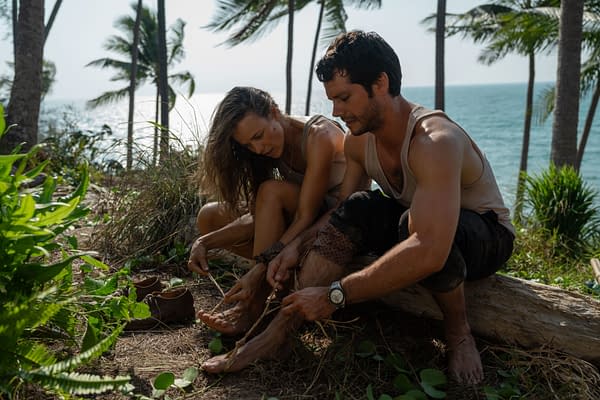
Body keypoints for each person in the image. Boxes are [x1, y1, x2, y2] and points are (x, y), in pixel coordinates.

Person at [199, 31, 515, 385]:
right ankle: (275, 335)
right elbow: (341, 213)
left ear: (380, 83)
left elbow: (428, 248)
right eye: (333, 99)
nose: (336, 111)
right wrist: (294, 248)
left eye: (345, 97)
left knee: (412, 226)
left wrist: (336, 295)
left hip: (486, 234)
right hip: (416, 225)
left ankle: (459, 333)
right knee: (361, 205)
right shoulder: (358, 142)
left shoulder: (435, 141)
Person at [187, 86, 354, 335]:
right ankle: (277, 280)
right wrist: (205, 241)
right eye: (248, 144)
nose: (257, 148)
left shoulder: (318, 136)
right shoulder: (271, 147)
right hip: (299, 218)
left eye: (258, 135)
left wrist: (259, 267)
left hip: (333, 221)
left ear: (274, 112)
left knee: (271, 191)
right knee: (210, 217)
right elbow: (259, 212)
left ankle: (255, 305)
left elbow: (306, 215)